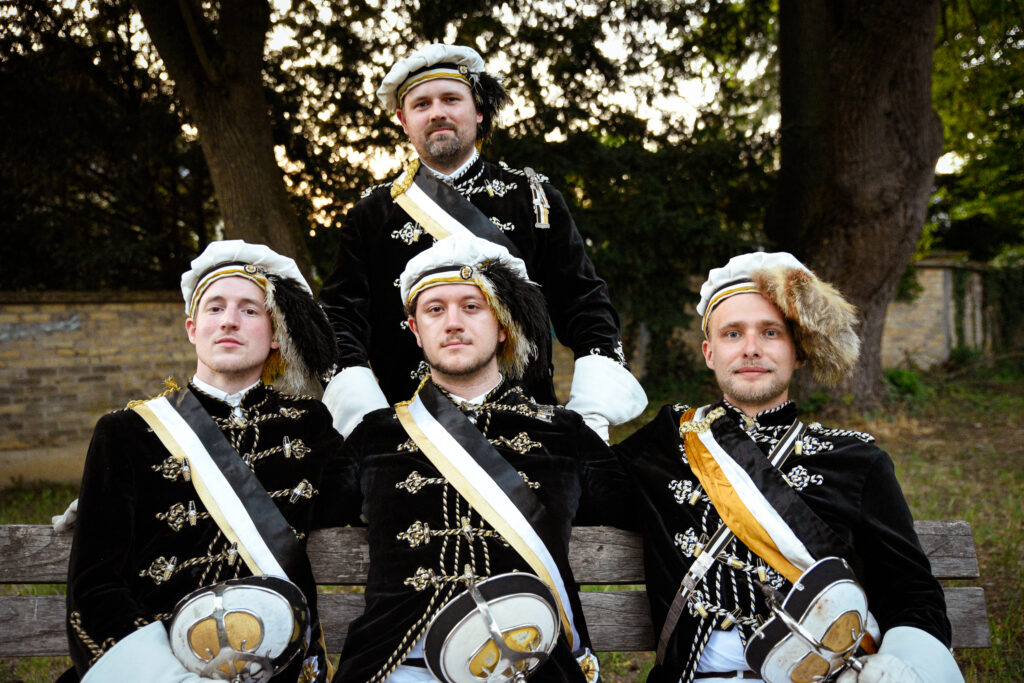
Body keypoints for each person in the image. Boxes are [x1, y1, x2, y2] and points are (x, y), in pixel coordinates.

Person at [615, 252, 963, 683]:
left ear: (798, 351)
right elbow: (569, 488)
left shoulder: (856, 461)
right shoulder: (667, 442)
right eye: (732, 333)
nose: (751, 348)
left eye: (771, 332)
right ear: (709, 352)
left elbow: (914, 596)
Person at [330, 234, 624, 683]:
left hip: (528, 664)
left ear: (503, 325)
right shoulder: (374, 435)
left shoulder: (564, 433)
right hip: (399, 668)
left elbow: (651, 502)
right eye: (435, 309)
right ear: (415, 330)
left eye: (472, 306)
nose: (453, 323)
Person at [318, 43, 645, 442]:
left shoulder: (532, 196)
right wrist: (364, 413)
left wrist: (593, 407)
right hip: (412, 431)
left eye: (451, 99)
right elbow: (340, 319)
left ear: (478, 110)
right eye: (421, 105)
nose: (437, 112)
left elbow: (583, 302)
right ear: (404, 121)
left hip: (529, 423)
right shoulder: (371, 213)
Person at [61, 240, 351, 682]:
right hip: (162, 669)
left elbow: (377, 497)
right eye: (215, 308)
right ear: (192, 329)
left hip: (280, 669)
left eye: (250, 310)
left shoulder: (310, 427)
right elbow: (95, 590)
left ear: (275, 335)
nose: (230, 321)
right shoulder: (126, 433)